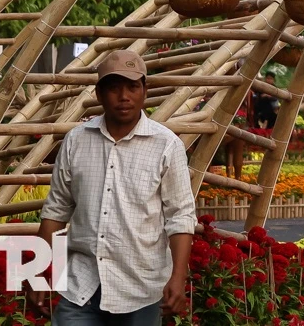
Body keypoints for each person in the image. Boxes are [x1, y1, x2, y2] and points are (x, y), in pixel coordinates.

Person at [40, 50, 196, 326]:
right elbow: (56, 209)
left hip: (141, 289)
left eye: (132, 87)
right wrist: (37, 273)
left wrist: (178, 277)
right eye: (114, 88)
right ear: (99, 94)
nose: (124, 96)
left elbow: (180, 216)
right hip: (81, 285)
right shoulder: (76, 141)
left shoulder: (166, 145)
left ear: (144, 91)